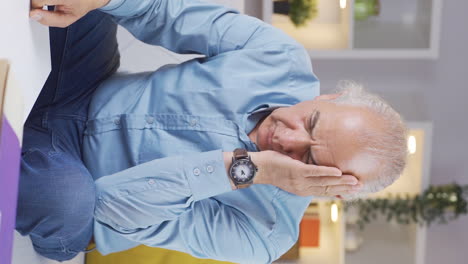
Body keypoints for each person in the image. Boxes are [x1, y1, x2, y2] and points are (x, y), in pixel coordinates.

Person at [19, 0, 407, 263]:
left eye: (308, 159)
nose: (287, 139)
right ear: (329, 97)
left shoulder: (265, 235)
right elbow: (161, 13)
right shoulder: (280, 58)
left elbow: (108, 206)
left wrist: (252, 169)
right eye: (311, 122)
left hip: (76, 179)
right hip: (83, 86)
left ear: (335, 187)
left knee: (68, 205)